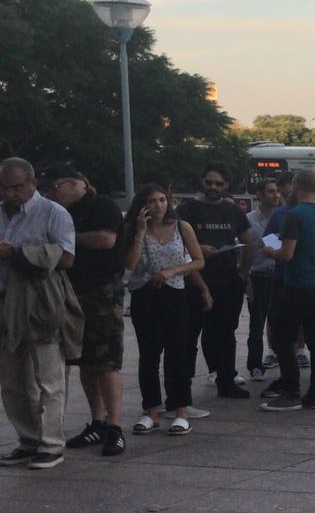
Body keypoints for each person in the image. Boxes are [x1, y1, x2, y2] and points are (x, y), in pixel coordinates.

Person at [0, 158, 80, 468]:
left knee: (49, 377)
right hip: (5, 301)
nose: (12, 193)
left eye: (18, 186)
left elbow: (67, 258)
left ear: (33, 183)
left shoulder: (52, 212)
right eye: (6, 188)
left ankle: (51, 444)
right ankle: (28, 439)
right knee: (11, 380)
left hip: (40, 301)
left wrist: (19, 253)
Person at [46, 166, 126, 458]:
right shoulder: (57, 211)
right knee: (83, 360)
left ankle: (115, 427)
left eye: (58, 187)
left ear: (75, 183)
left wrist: (64, 240)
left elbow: (106, 239)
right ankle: (98, 421)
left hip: (103, 292)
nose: (56, 194)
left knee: (107, 360)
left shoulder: (100, 206)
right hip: (71, 291)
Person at [121, 183, 202, 437]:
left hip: (175, 292)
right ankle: (151, 411)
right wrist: (140, 231)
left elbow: (199, 261)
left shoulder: (181, 227)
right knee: (149, 354)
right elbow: (131, 263)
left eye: (162, 200)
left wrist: (172, 271)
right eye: (152, 201)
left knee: (177, 353)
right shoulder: (135, 229)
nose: (158, 206)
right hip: (144, 295)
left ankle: (180, 410)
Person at [258, 169, 315, 411]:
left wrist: (269, 252)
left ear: (295, 185)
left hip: (297, 284)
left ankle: (291, 391)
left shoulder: (294, 215)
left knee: (283, 339)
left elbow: (287, 253)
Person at [177, 162, 251, 399]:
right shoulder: (188, 209)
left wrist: (244, 273)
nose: (213, 187)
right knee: (189, 335)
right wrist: (198, 249)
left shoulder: (233, 211)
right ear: (202, 182)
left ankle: (226, 380)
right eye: (209, 182)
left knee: (226, 333)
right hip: (195, 280)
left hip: (228, 280)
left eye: (218, 183)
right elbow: (174, 240)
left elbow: (250, 240)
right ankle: (182, 388)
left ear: (226, 185)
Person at [243, 177, 284, 380]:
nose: (275, 195)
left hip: (280, 277)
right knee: (256, 325)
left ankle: (283, 362)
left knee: (281, 324)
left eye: (276, 191)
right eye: (270, 191)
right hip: (259, 276)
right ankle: (255, 366)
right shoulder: (249, 219)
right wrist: (246, 279)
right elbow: (245, 252)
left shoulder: (284, 216)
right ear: (259, 194)